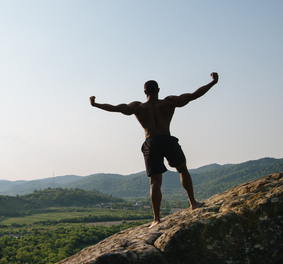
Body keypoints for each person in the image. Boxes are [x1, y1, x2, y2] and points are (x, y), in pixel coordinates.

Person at [90, 72, 219, 228]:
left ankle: (156, 219)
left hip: (151, 142)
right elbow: (193, 96)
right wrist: (213, 82)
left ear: (145, 92)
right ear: (158, 90)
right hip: (167, 138)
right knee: (182, 169)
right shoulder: (169, 102)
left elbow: (117, 108)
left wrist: (95, 104)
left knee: (155, 182)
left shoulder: (138, 107)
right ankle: (193, 203)